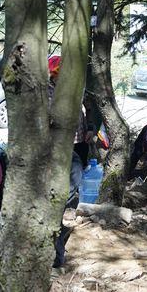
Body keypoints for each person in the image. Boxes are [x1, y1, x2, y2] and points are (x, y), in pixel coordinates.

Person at [47, 55, 96, 267]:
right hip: (59, 145)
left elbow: (88, 112)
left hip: (79, 141)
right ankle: (57, 215)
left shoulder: (74, 89)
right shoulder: (47, 93)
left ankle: (69, 210)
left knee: (77, 179)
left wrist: (91, 129)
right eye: (58, 74)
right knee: (65, 181)